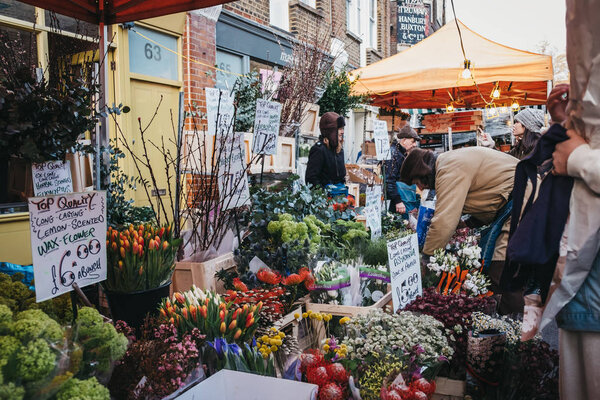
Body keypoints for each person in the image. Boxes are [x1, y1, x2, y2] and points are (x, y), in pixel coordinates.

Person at [400, 146, 521, 313]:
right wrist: (469, 223)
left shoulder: (449, 168)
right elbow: (486, 193)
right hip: (516, 202)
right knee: (499, 269)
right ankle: (507, 323)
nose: (420, 189)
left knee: (501, 268)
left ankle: (517, 329)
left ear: (423, 173)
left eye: (417, 183)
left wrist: (426, 258)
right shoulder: (448, 163)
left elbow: (444, 220)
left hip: (523, 203)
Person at [385, 124, 421, 213]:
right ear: (404, 140)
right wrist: (398, 201)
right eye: (412, 141)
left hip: (403, 197)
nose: (415, 144)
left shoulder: (401, 153)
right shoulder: (394, 154)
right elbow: (389, 180)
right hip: (398, 201)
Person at [305, 111, 346, 188]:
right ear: (330, 131)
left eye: (342, 128)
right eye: (339, 129)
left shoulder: (339, 149)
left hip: (340, 195)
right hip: (326, 197)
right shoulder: (319, 150)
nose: (342, 132)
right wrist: (323, 194)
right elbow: (311, 178)